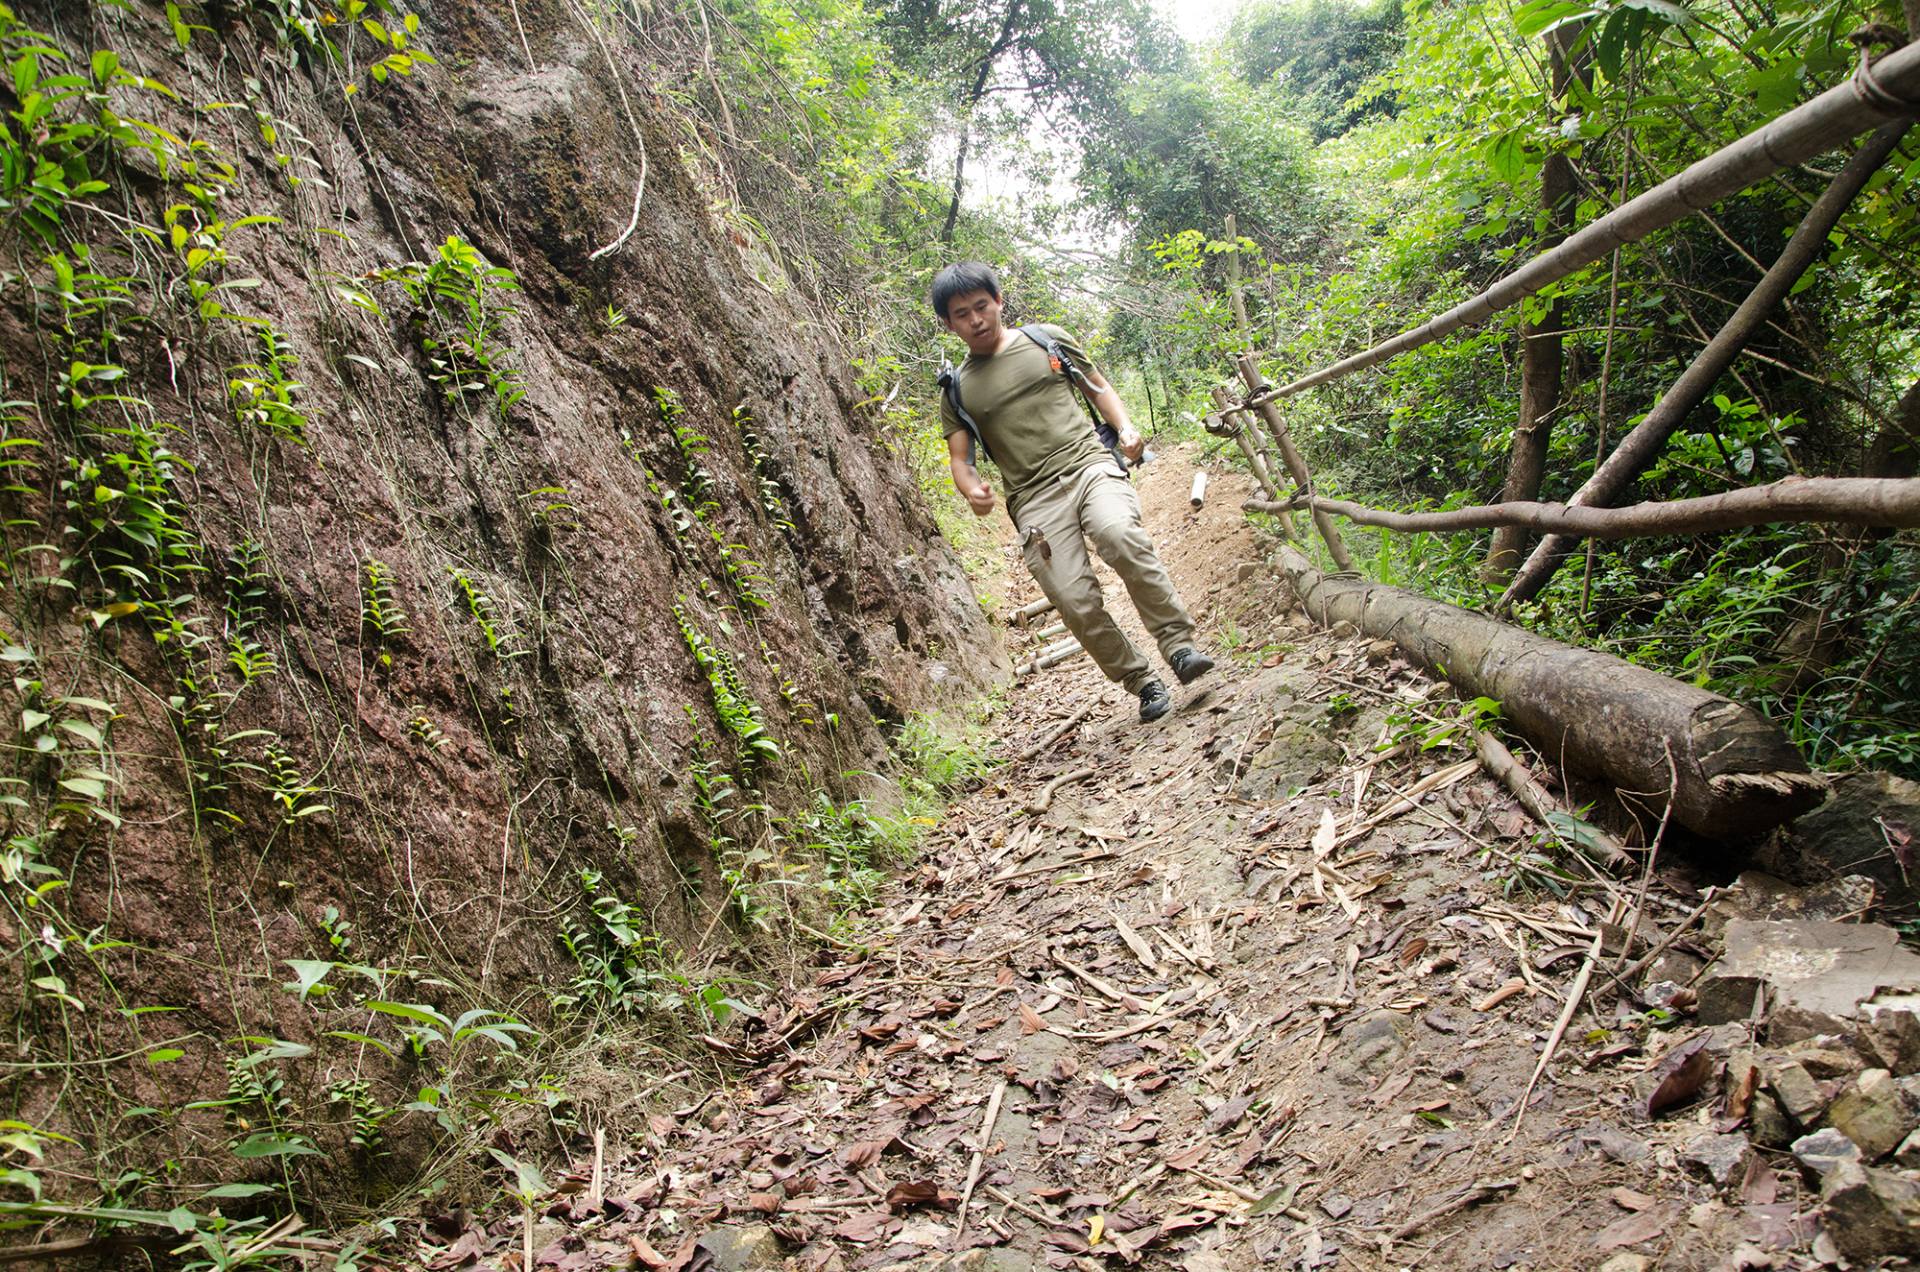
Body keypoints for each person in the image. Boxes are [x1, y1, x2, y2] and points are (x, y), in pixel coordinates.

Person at [933, 261, 1213, 722]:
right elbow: (961, 460)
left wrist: (1125, 428)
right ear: (948, 323)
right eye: (962, 314)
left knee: (1119, 534)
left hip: (1088, 464)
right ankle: (1141, 682)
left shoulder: (1047, 340)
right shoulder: (958, 390)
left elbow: (1098, 387)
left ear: (999, 302)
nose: (976, 320)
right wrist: (971, 491)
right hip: (1033, 498)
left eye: (982, 306)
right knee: (1073, 600)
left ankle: (1180, 647)